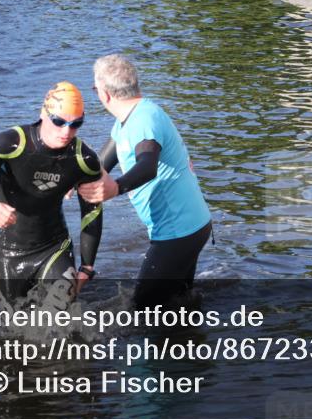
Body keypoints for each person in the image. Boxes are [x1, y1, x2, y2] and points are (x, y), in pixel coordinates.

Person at [0, 82, 104, 313]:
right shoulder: (10, 142)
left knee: (61, 322)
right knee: (16, 330)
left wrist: (87, 266)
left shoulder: (84, 159)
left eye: (76, 124)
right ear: (44, 114)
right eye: (59, 121)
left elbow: (92, 211)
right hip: (9, 253)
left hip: (54, 247)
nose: (66, 131)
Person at [78, 55, 212, 309]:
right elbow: (98, 165)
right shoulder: (129, 119)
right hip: (190, 226)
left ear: (104, 94)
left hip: (179, 232)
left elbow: (147, 166)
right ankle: (188, 343)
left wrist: (114, 187)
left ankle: (172, 345)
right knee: (178, 303)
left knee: (141, 310)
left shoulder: (144, 121)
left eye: (94, 89)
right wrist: (68, 182)